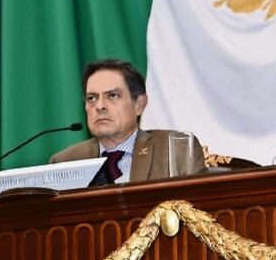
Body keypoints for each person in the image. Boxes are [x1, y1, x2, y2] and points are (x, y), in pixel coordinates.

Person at [49, 59, 205, 183]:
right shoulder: (65, 163)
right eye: (92, 98)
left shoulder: (175, 149)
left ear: (139, 104)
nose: (100, 106)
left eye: (112, 96)